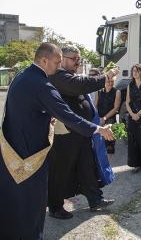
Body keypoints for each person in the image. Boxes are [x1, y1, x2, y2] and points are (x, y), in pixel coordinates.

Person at [0, 43, 114, 240]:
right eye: (56, 62)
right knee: (33, 201)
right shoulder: (42, 85)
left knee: (14, 201)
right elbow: (67, 114)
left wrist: (44, 116)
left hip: (13, 149)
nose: (58, 67)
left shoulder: (23, 76)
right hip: (31, 154)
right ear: (44, 60)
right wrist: (98, 129)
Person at [47, 46, 119, 219]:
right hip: (65, 133)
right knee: (61, 171)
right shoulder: (58, 75)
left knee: (87, 165)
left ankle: (95, 200)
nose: (78, 62)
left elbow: (83, 83)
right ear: (62, 58)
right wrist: (106, 76)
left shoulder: (69, 76)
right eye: (74, 59)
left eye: (79, 59)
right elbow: (80, 85)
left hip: (81, 131)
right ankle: (55, 207)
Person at [95, 76, 121, 159]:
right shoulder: (99, 91)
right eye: (108, 81)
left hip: (110, 119)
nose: (110, 83)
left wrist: (104, 118)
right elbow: (95, 105)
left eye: (112, 81)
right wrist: (97, 118)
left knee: (109, 144)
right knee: (99, 143)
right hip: (99, 118)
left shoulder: (117, 92)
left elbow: (116, 108)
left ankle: (108, 165)